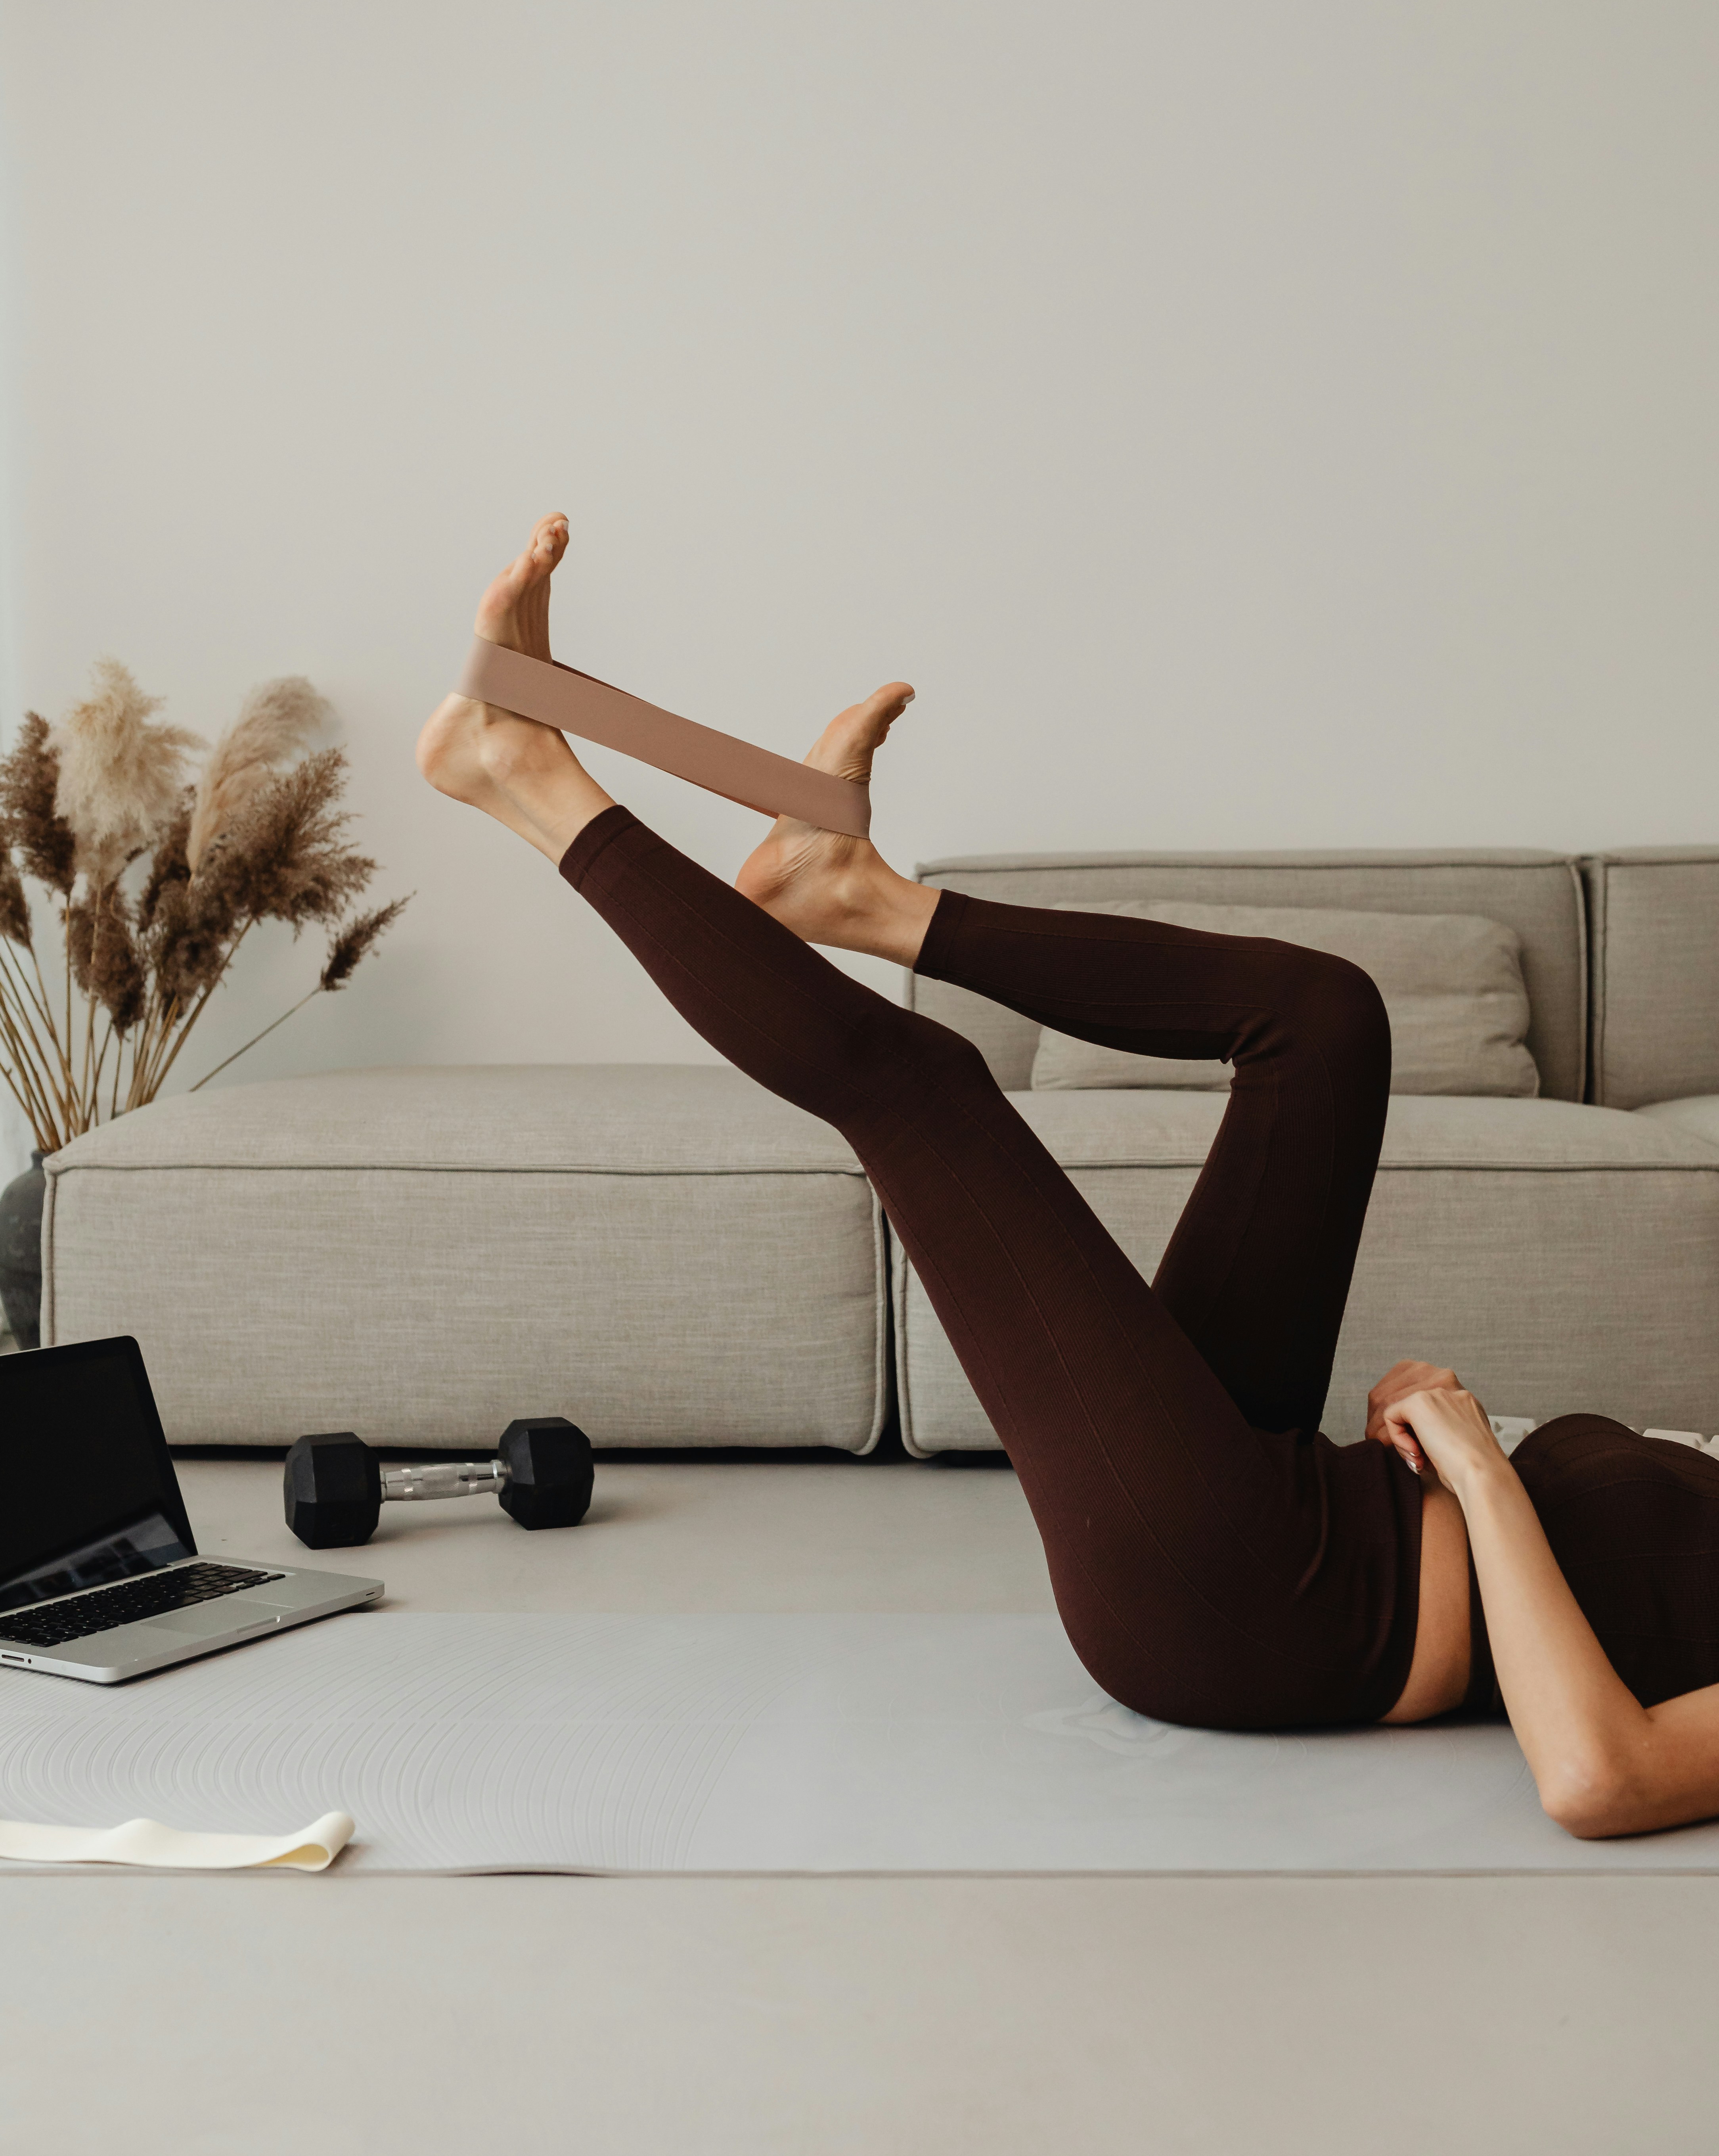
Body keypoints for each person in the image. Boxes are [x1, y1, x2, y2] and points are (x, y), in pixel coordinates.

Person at [419, 514, 1719, 1840]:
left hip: (1250, 1600)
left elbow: (1603, 1778)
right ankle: (860, 899)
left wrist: (1477, 1463)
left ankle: (523, 778)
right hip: (1297, 1493)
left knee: (925, 1093)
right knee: (1323, 1025)